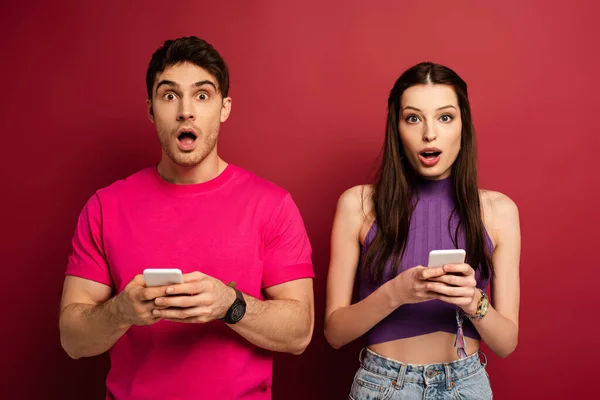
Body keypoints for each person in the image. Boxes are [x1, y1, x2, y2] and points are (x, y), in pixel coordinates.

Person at [59, 36, 315, 400]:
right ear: (150, 109)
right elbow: (72, 340)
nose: (185, 111)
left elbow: (300, 334)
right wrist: (121, 311)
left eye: (202, 95)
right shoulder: (104, 206)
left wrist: (230, 304)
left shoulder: (272, 206)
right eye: (169, 96)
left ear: (224, 108)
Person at [324, 62, 520, 399]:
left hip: (466, 384)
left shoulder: (498, 211)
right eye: (413, 118)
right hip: (384, 385)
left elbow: (506, 344)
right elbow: (335, 332)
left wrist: (474, 302)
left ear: (463, 126)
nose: (429, 133)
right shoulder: (357, 204)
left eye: (445, 117)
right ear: (397, 129)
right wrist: (396, 293)